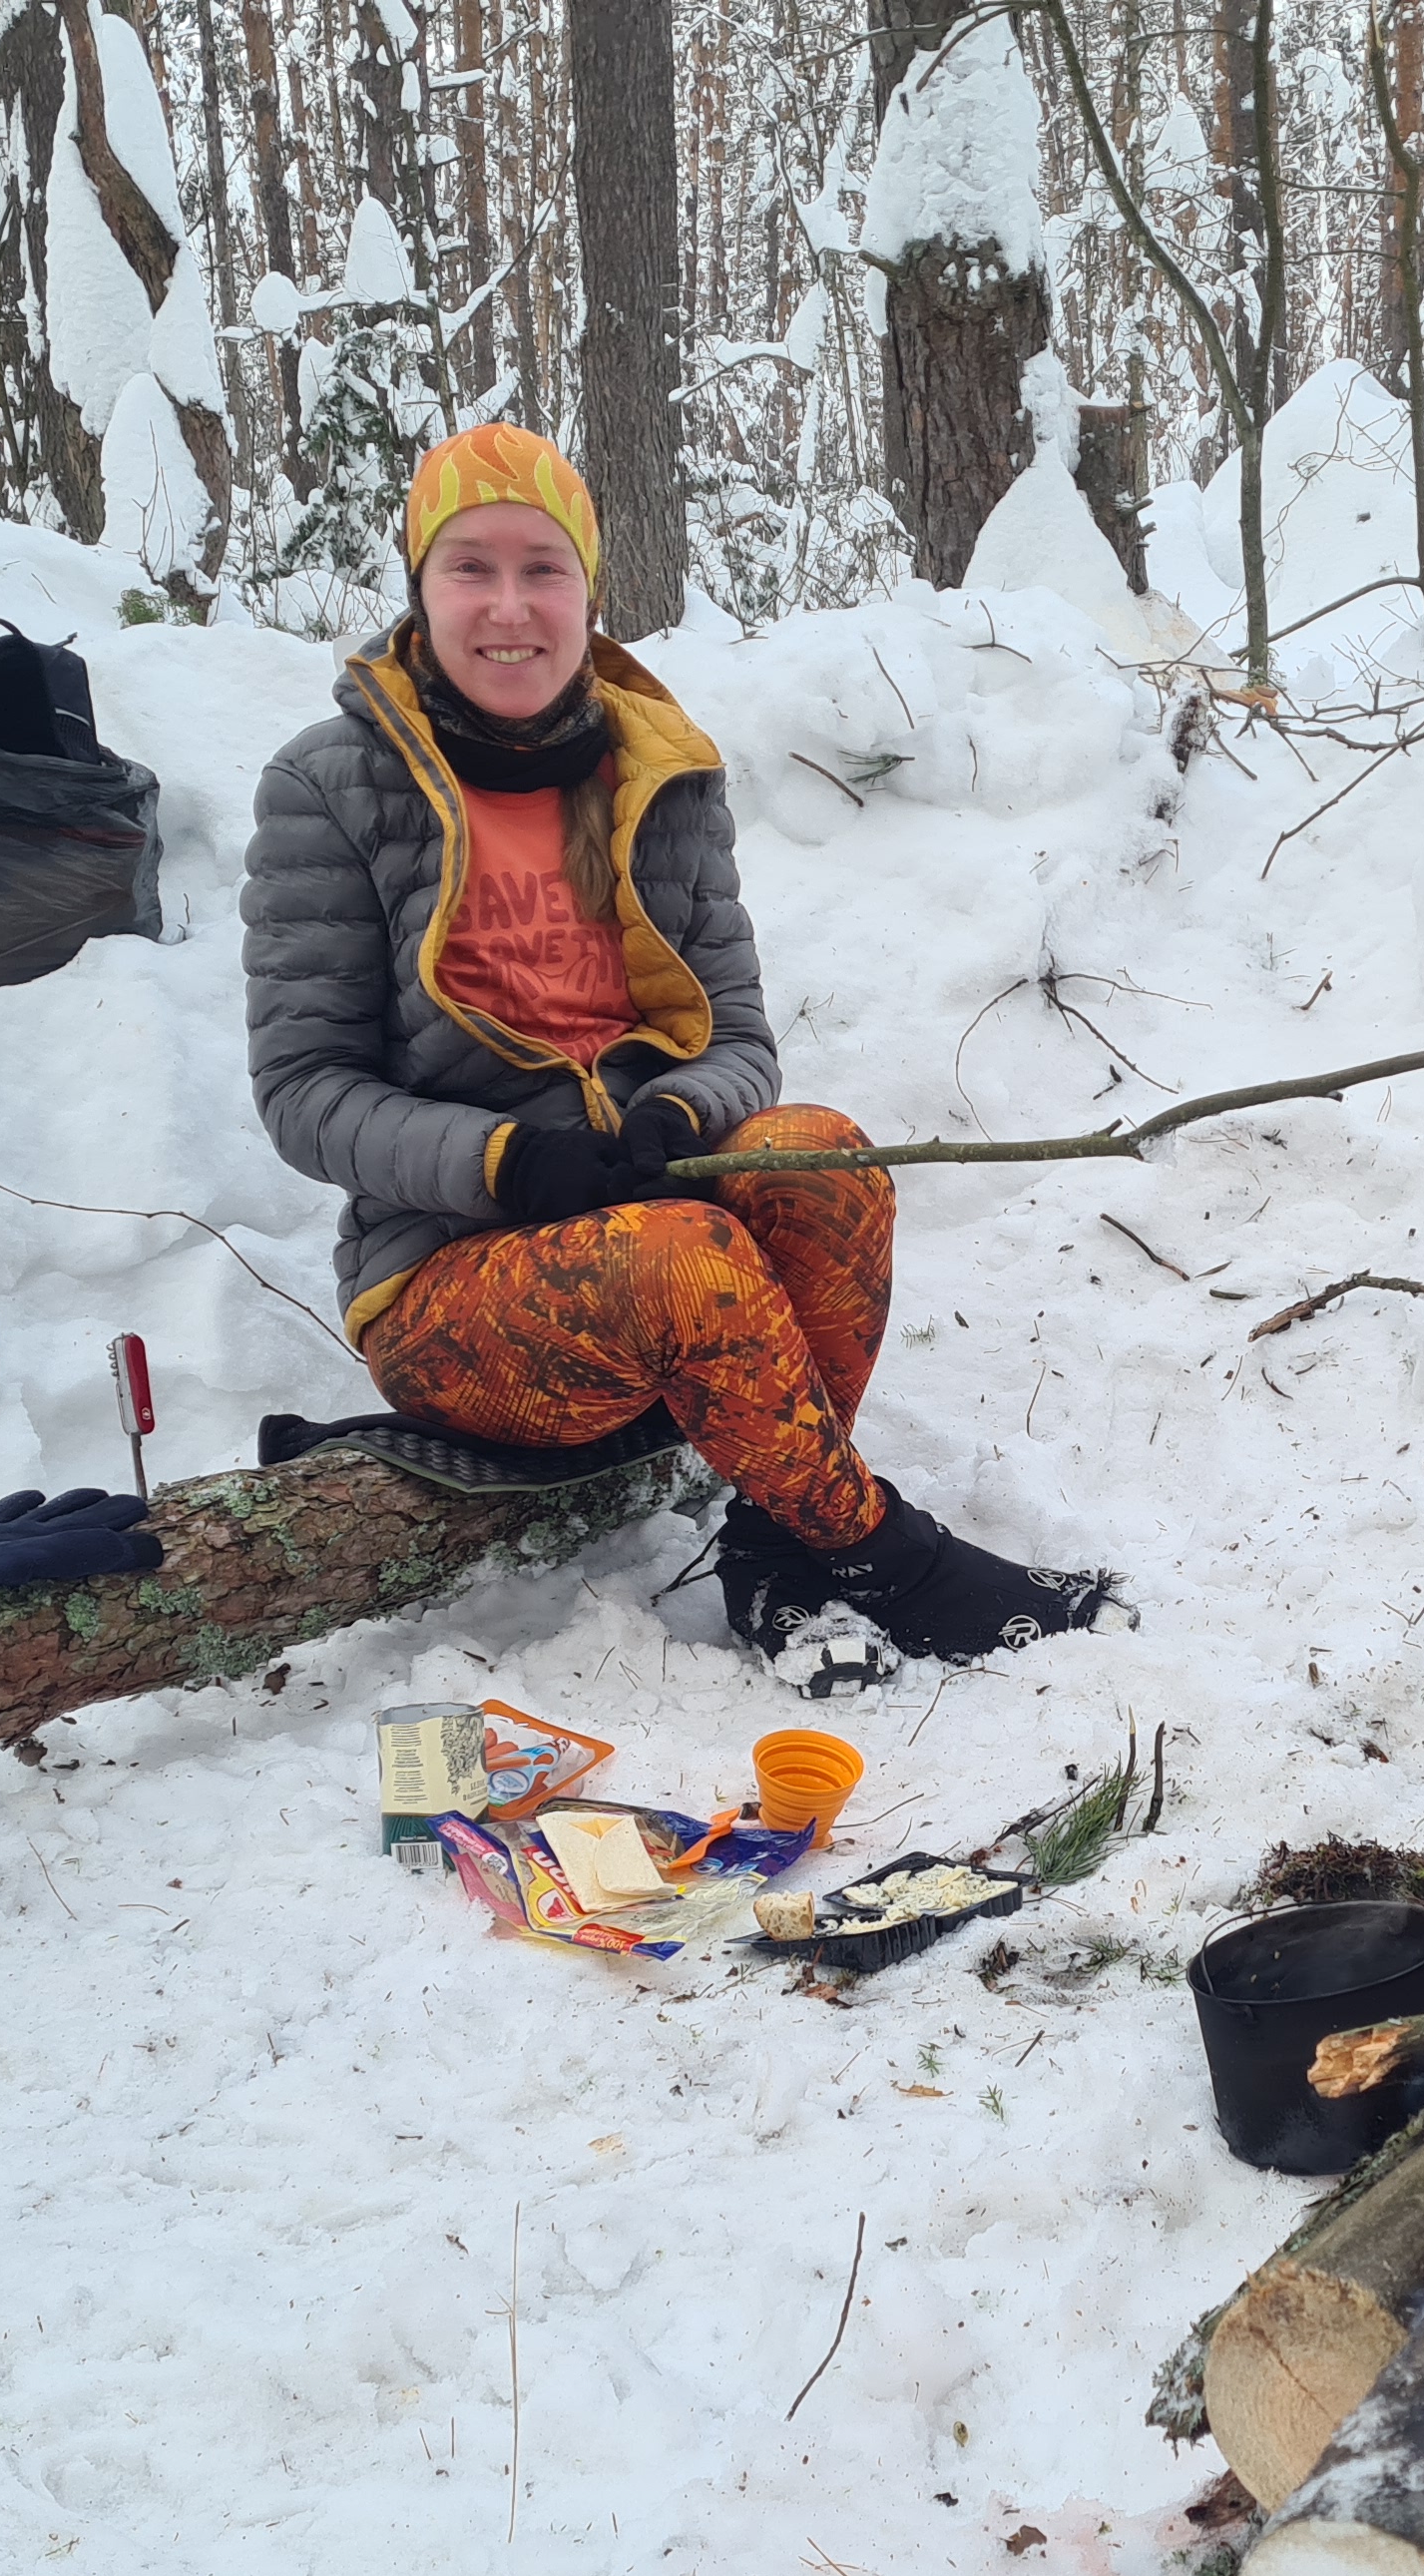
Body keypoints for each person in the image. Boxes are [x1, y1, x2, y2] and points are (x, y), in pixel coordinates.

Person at [243, 424, 1117, 1666]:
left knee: (824, 1159)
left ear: (588, 590)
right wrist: (505, 1163)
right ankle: (890, 1558)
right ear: (419, 586)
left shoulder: (657, 770)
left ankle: (774, 1549)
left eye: (543, 568)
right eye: (470, 567)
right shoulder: (331, 784)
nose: (509, 607)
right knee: (683, 1261)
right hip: (452, 1290)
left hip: (660, 1217)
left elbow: (739, 1037)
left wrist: (679, 1113)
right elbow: (304, 1091)